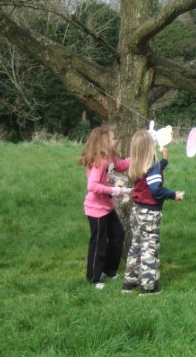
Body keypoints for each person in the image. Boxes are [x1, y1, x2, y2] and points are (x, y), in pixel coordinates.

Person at [122, 130, 184, 296]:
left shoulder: (137, 163)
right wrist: (173, 195)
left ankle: (130, 282)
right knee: (149, 247)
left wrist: (164, 162)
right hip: (149, 213)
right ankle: (148, 287)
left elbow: (149, 176)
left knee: (136, 245)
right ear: (150, 147)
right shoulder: (152, 166)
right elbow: (156, 189)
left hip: (136, 211)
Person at [79, 126, 131, 289]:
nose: (116, 140)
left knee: (118, 235)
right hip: (95, 210)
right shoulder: (100, 162)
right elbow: (92, 186)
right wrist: (114, 190)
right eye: (113, 138)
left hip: (106, 207)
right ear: (104, 142)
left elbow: (121, 166)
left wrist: (136, 156)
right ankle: (94, 277)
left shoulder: (110, 158)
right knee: (99, 243)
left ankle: (109, 270)